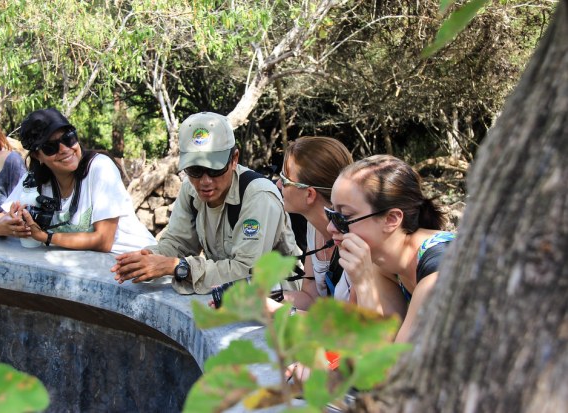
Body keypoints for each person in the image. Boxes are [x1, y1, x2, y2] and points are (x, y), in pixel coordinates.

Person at [112, 111, 301, 294]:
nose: (205, 181)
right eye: (195, 170)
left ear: (234, 159)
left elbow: (245, 272)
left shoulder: (258, 196)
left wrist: (179, 267)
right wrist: (146, 259)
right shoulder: (190, 190)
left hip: (281, 303)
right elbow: (178, 243)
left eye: (214, 170)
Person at [0, 108, 156, 254]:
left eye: (68, 138)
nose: (64, 149)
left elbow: (103, 241)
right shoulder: (34, 181)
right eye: (51, 147)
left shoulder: (100, 168)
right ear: (37, 155)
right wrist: (1, 227)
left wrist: (45, 237)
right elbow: (3, 217)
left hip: (135, 259)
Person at [327, 154, 455, 342]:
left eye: (343, 217)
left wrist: (363, 284)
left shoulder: (439, 274)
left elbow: (394, 368)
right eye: (330, 214)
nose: (331, 227)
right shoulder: (383, 263)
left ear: (391, 219)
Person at [265, 136, 375, 315]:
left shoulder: (358, 242)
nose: (278, 184)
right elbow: (311, 298)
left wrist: (277, 311)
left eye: (285, 180)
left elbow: (348, 329)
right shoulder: (313, 226)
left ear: (309, 194)